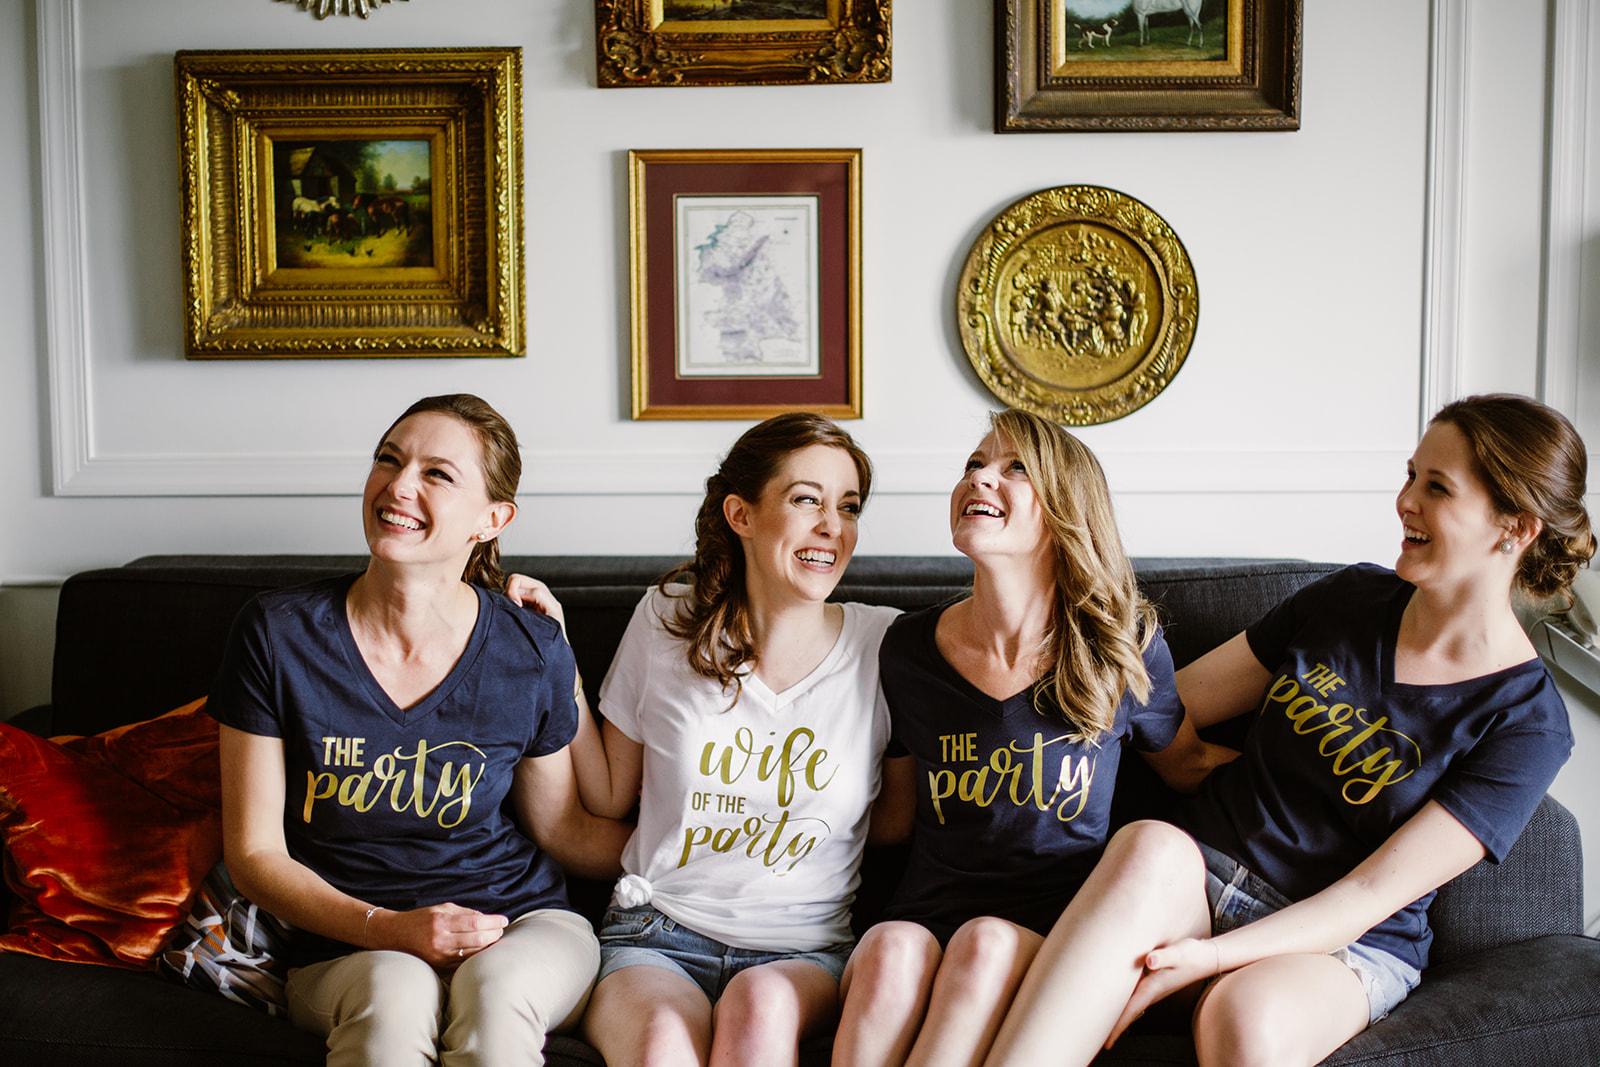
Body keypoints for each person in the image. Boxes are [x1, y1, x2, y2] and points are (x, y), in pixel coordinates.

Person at [982, 393, 1595, 1067]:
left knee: (1248, 1016)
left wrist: (1208, 958)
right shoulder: (1349, 598)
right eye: (1410, 475)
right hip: (1199, 874)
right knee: (1148, 844)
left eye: (1437, 487)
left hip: (1338, 943)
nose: (1405, 501)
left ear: (1516, 527)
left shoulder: (1527, 722)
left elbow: (1369, 895)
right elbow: (1164, 704)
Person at [209, 394, 630, 1067]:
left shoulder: (528, 647)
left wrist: (705, 851)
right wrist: (393, 929)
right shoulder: (277, 633)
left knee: (496, 991)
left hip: (521, 927)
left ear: (492, 519)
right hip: (351, 944)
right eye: (389, 459)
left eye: (437, 473)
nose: (398, 484)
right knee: (395, 988)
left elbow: (565, 830)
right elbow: (256, 854)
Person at [830, 409, 1229, 1067]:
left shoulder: (1118, 646)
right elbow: (895, 819)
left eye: (1015, 467)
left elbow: (1188, 763)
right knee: (888, 946)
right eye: (974, 463)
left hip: (1055, 934)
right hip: (928, 914)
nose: (982, 477)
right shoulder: (905, 650)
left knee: (984, 942)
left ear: (1063, 511)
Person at [511, 412, 898, 1067]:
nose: (833, 526)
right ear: (741, 514)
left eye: (849, 505)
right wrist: (558, 658)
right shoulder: (665, 620)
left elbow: (894, 821)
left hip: (803, 948)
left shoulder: (886, 644)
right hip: (655, 934)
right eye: (807, 499)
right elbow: (605, 796)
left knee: (762, 1007)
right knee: (662, 1043)